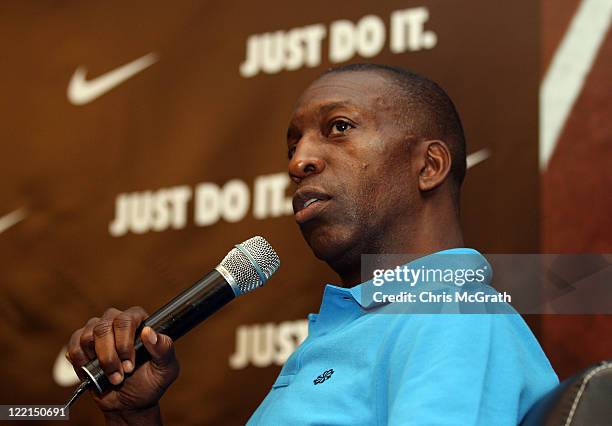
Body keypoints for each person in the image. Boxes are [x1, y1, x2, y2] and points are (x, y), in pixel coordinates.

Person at [66, 64, 558, 425]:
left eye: (338, 128)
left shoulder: (452, 316)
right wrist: (137, 417)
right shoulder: (359, 331)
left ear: (428, 166)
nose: (298, 160)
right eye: (292, 145)